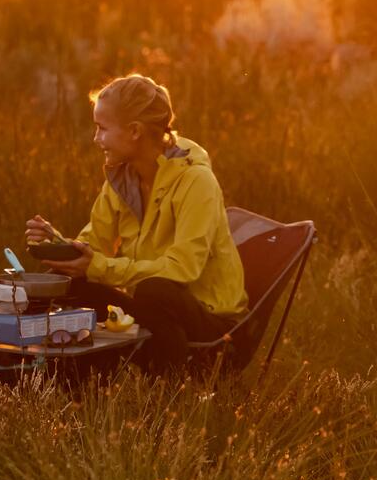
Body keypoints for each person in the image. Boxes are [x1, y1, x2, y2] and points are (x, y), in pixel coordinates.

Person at [25, 74, 245, 370]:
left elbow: (183, 269)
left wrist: (99, 266)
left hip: (211, 320)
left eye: (102, 129)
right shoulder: (122, 178)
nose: (96, 138)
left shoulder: (196, 180)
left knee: (155, 291)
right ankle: (79, 383)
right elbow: (95, 243)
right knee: (72, 282)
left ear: (134, 131)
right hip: (151, 306)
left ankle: (170, 389)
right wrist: (60, 246)